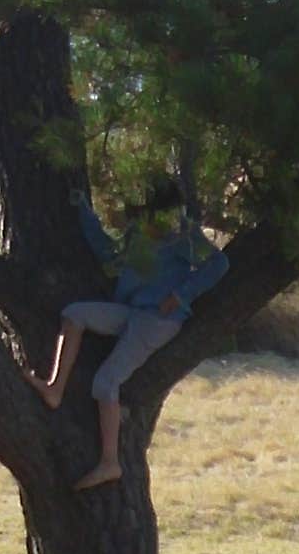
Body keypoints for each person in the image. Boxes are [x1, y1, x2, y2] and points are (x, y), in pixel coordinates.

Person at [23, 179, 229, 490]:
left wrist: (181, 295)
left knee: (105, 383)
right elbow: (108, 254)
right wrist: (84, 211)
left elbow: (218, 264)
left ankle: (110, 462)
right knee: (74, 314)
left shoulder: (183, 234)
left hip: (157, 322)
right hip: (132, 312)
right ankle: (54, 387)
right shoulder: (139, 233)